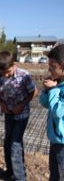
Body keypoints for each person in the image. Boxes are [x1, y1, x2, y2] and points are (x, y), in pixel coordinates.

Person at [0, 51, 37, 180]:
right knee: (7, 143)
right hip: (8, 113)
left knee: (15, 144)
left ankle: (20, 178)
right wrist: (1, 103)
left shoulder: (24, 75)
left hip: (21, 115)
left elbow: (33, 92)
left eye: (8, 72)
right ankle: (10, 171)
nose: (5, 75)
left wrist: (21, 105)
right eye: (3, 73)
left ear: (14, 65)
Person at [39, 44, 64, 181]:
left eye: (53, 67)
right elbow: (44, 103)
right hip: (55, 140)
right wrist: (46, 90)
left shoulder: (59, 88)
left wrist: (54, 90)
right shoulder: (58, 83)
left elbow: (58, 112)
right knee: (54, 173)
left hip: (63, 143)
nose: (49, 69)